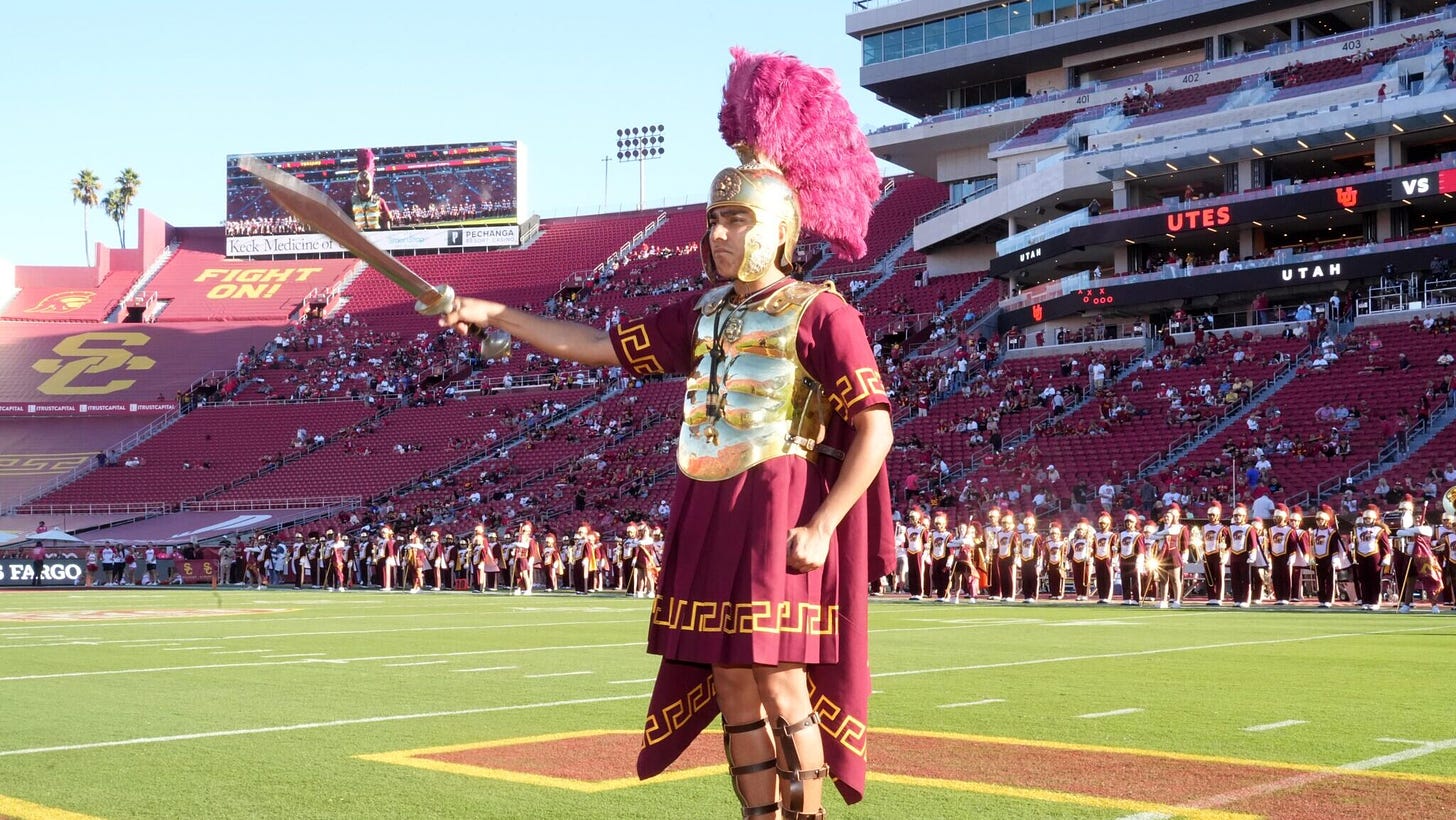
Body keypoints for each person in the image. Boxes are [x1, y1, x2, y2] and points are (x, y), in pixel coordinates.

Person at [430, 49, 892, 817]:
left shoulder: (822, 310)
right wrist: (492, 313)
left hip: (780, 505)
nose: (719, 231)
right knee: (731, 679)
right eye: (714, 218)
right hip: (707, 502)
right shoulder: (701, 314)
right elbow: (595, 345)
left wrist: (824, 521)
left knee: (780, 678)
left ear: (779, 227)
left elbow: (873, 427)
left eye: (737, 217)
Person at [351, 148, 392, 231]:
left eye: (366, 182)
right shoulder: (350, 203)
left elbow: (387, 222)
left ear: (371, 184)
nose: (363, 186)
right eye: (360, 183)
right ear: (357, 184)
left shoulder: (380, 202)